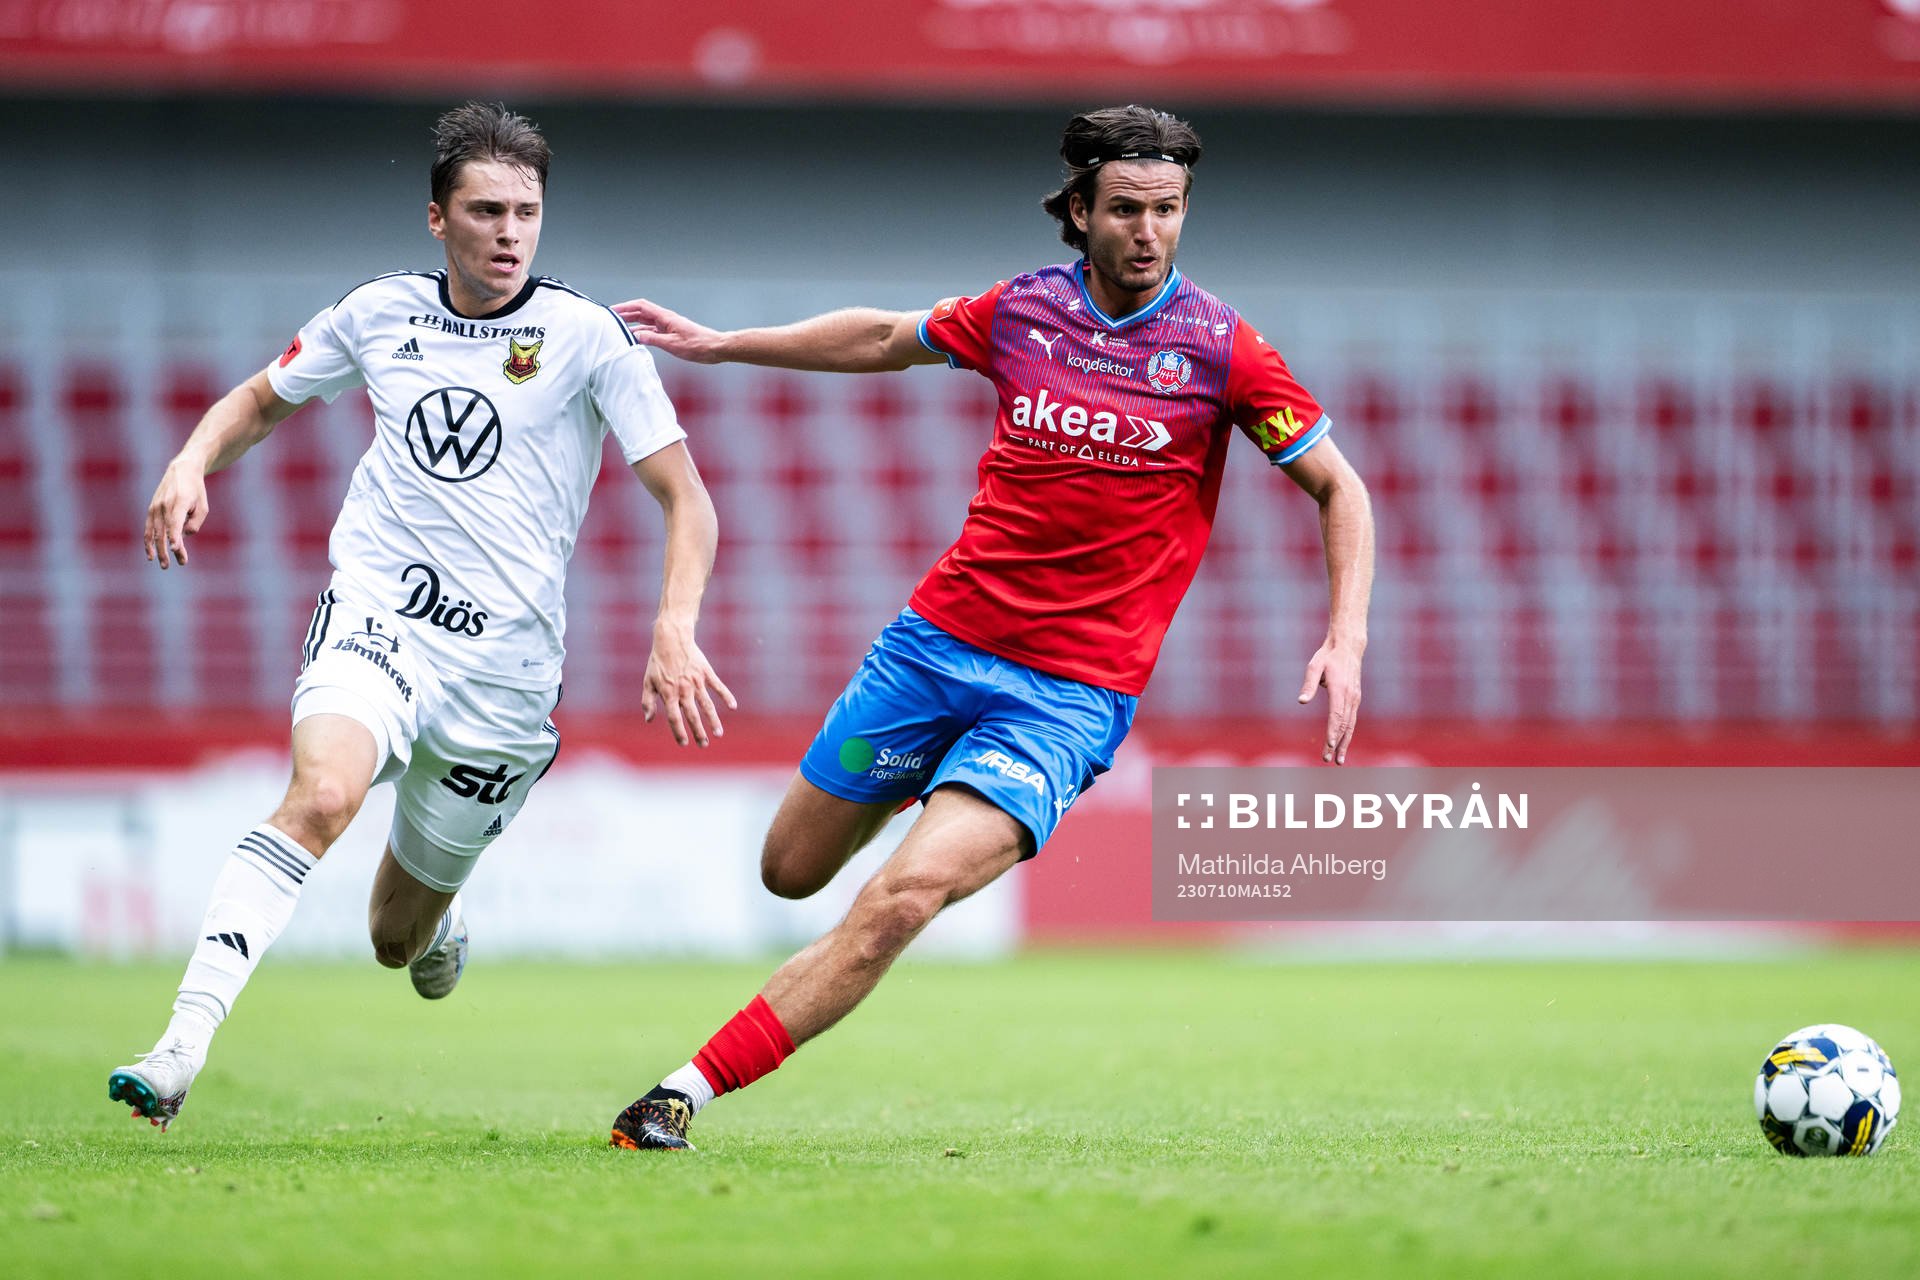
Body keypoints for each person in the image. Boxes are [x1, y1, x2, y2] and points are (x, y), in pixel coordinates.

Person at [604, 104, 1374, 1151]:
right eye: (1127, 210)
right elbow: (886, 335)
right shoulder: (1021, 312)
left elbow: (1340, 488)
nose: (1150, 231)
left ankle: (680, 1091)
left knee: (900, 896)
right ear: (1081, 213)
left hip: (1066, 698)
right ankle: (909, 781)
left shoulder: (1225, 351)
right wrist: (726, 343)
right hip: (933, 652)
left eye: (1169, 209)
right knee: (788, 868)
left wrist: (1346, 635)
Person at [109, 102, 733, 1131]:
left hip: (505, 678)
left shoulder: (586, 338)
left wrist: (676, 624)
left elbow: (688, 498)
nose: (509, 232)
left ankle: (439, 926)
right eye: (485, 209)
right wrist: (189, 457)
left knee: (395, 938)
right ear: (436, 219)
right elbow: (260, 399)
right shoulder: (379, 313)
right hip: (380, 617)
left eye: (526, 211)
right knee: (320, 794)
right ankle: (181, 1044)